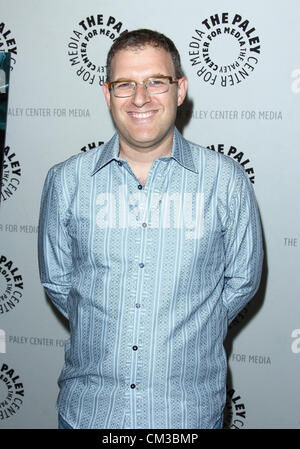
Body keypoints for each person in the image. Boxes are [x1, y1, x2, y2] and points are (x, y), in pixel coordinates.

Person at [38, 29, 263, 429]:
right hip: (88, 414)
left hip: (187, 415)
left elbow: (241, 282)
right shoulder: (66, 181)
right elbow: (58, 283)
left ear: (180, 90)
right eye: (125, 84)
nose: (140, 98)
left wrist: (188, 326)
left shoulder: (226, 181)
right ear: (108, 95)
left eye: (156, 81)